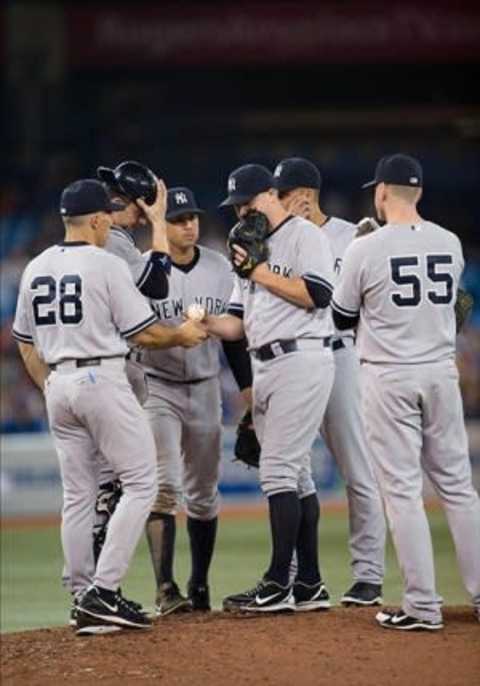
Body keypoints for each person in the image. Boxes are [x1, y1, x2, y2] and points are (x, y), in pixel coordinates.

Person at [12, 179, 208, 635]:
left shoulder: (35, 266)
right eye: (108, 217)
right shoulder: (103, 264)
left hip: (59, 381)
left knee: (78, 496)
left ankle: (83, 596)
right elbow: (143, 330)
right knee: (142, 482)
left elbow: (24, 343)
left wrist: (53, 386)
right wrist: (180, 335)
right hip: (101, 376)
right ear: (99, 219)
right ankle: (104, 590)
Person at [331, 153, 480, 630]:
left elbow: (339, 317)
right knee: (459, 489)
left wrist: (363, 248)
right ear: (418, 193)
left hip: (390, 375)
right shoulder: (451, 242)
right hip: (440, 371)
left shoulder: (365, 248)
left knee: (402, 491)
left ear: (381, 192)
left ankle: (422, 605)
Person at [207, 163, 335, 612]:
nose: (241, 212)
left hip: (302, 357)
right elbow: (235, 324)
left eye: (247, 202)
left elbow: (318, 295)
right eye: (236, 206)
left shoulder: (305, 236)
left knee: (278, 471)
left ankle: (278, 583)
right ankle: (310, 584)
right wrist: (203, 322)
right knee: (296, 475)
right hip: (266, 365)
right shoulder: (248, 246)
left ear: (270, 195)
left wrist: (257, 271)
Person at [273, 157, 386, 606]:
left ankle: (369, 574)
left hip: (339, 357)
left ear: (303, 195)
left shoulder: (352, 235)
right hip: (292, 362)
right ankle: (299, 578)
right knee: (291, 471)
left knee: (357, 468)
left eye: (282, 195)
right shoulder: (279, 241)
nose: (276, 204)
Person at [140, 186, 252, 615]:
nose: (189, 225)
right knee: (163, 485)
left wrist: (247, 390)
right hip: (158, 386)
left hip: (206, 388)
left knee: (204, 493)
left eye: (193, 218)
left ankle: (199, 583)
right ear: (163, 226)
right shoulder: (146, 270)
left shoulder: (221, 269)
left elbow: (235, 340)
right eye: (179, 219)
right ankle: (166, 589)